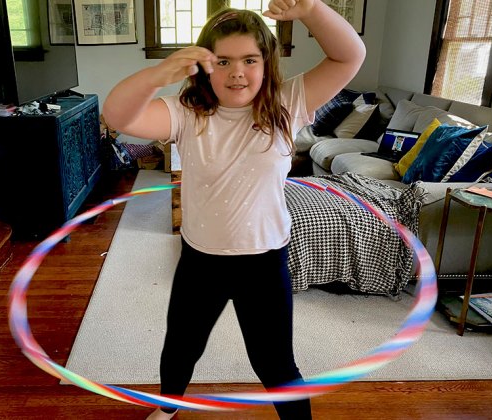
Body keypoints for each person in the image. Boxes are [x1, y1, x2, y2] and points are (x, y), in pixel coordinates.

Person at [103, 0, 365, 418]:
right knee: (181, 347)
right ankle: (167, 409)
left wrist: (312, 9)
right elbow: (116, 114)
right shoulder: (186, 114)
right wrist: (158, 75)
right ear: (204, 66)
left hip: (263, 260)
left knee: (275, 364)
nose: (236, 72)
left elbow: (350, 55)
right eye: (222, 61)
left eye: (249, 60)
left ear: (266, 63)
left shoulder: (287, 103)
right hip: (201, 258)